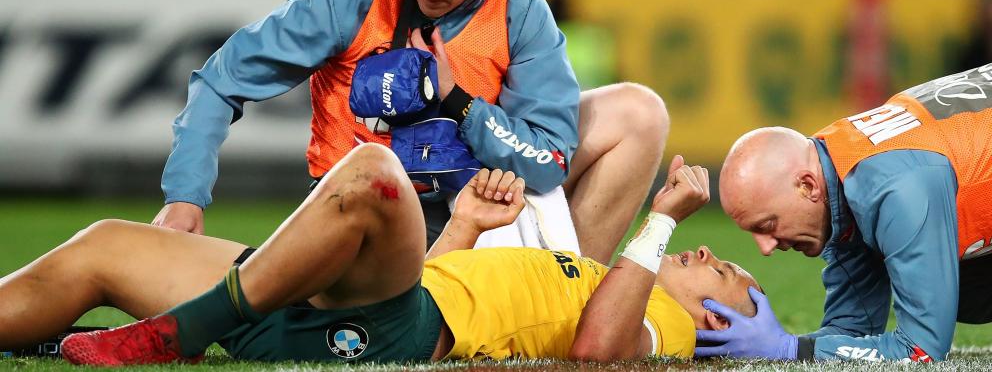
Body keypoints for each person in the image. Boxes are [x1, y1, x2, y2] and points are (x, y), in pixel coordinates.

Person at [152, 0, 668, 263]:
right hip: (357, 206)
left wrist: (459, 102)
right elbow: (221, 80)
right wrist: (185, 197)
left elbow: (549, 163)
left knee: (639, 113)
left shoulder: (519, 6)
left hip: (466, 195)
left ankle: (571, 293)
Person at [0, 144, 757, 365]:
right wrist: (461, 228)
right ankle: (209, 317)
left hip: (392, 324)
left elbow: (598, 351)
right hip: (326, 298)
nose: (704, 250)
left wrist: (655, 225)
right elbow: (449, 284)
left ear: (720, 317)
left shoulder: (669, 328)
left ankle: (188, 332)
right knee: (103, 244)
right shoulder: (600, 281)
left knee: (373, 174)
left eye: (725, 270)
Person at [697, 64, 992, 362]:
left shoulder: (895, 190)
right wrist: (777, 344)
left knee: (954, 290)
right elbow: (851, 331)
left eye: (768, 224)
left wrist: (790, 349)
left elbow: (920, 350)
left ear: (807, 186)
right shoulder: (836, 166)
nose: (766, 247)